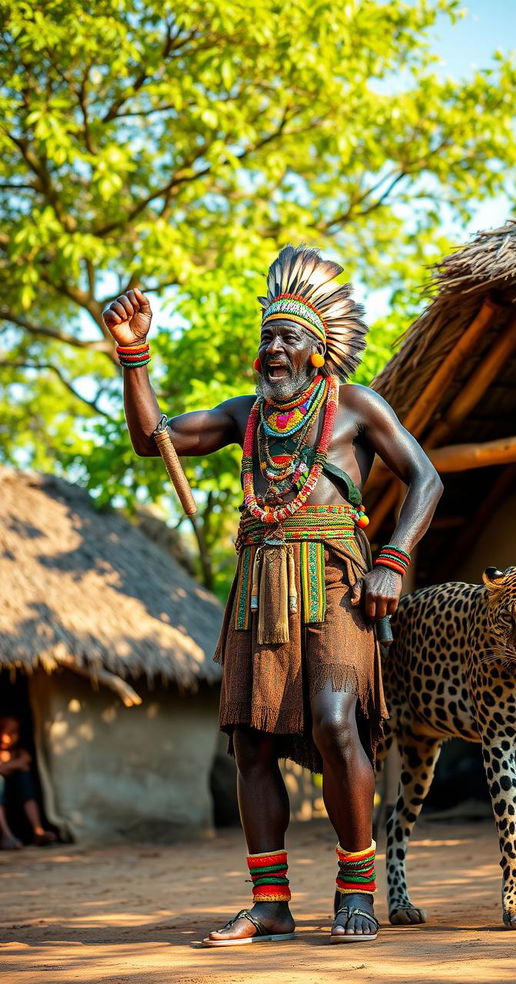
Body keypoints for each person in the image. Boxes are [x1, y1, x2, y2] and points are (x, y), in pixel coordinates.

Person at [102, 246, 442, 944]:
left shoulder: (355, 407)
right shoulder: (243, 416)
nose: (275, 349)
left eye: (289, 338)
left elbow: (427, 479)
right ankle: (271, 902)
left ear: (319, 351)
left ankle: (355, 888)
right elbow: (154, 441)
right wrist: (134, 358)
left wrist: (396, 557)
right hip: (260, 585)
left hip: (336, 584)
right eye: (268, 339)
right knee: (251, 743)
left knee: (335, 720)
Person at [0, 714, 56, 848]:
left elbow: (25, 762)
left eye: (14, 733)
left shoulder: (19, 751)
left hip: (14, 791)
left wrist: (4, 767)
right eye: (7, 733)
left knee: (25, 778)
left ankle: (38, 830)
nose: (11, 737)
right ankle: (5, 835)